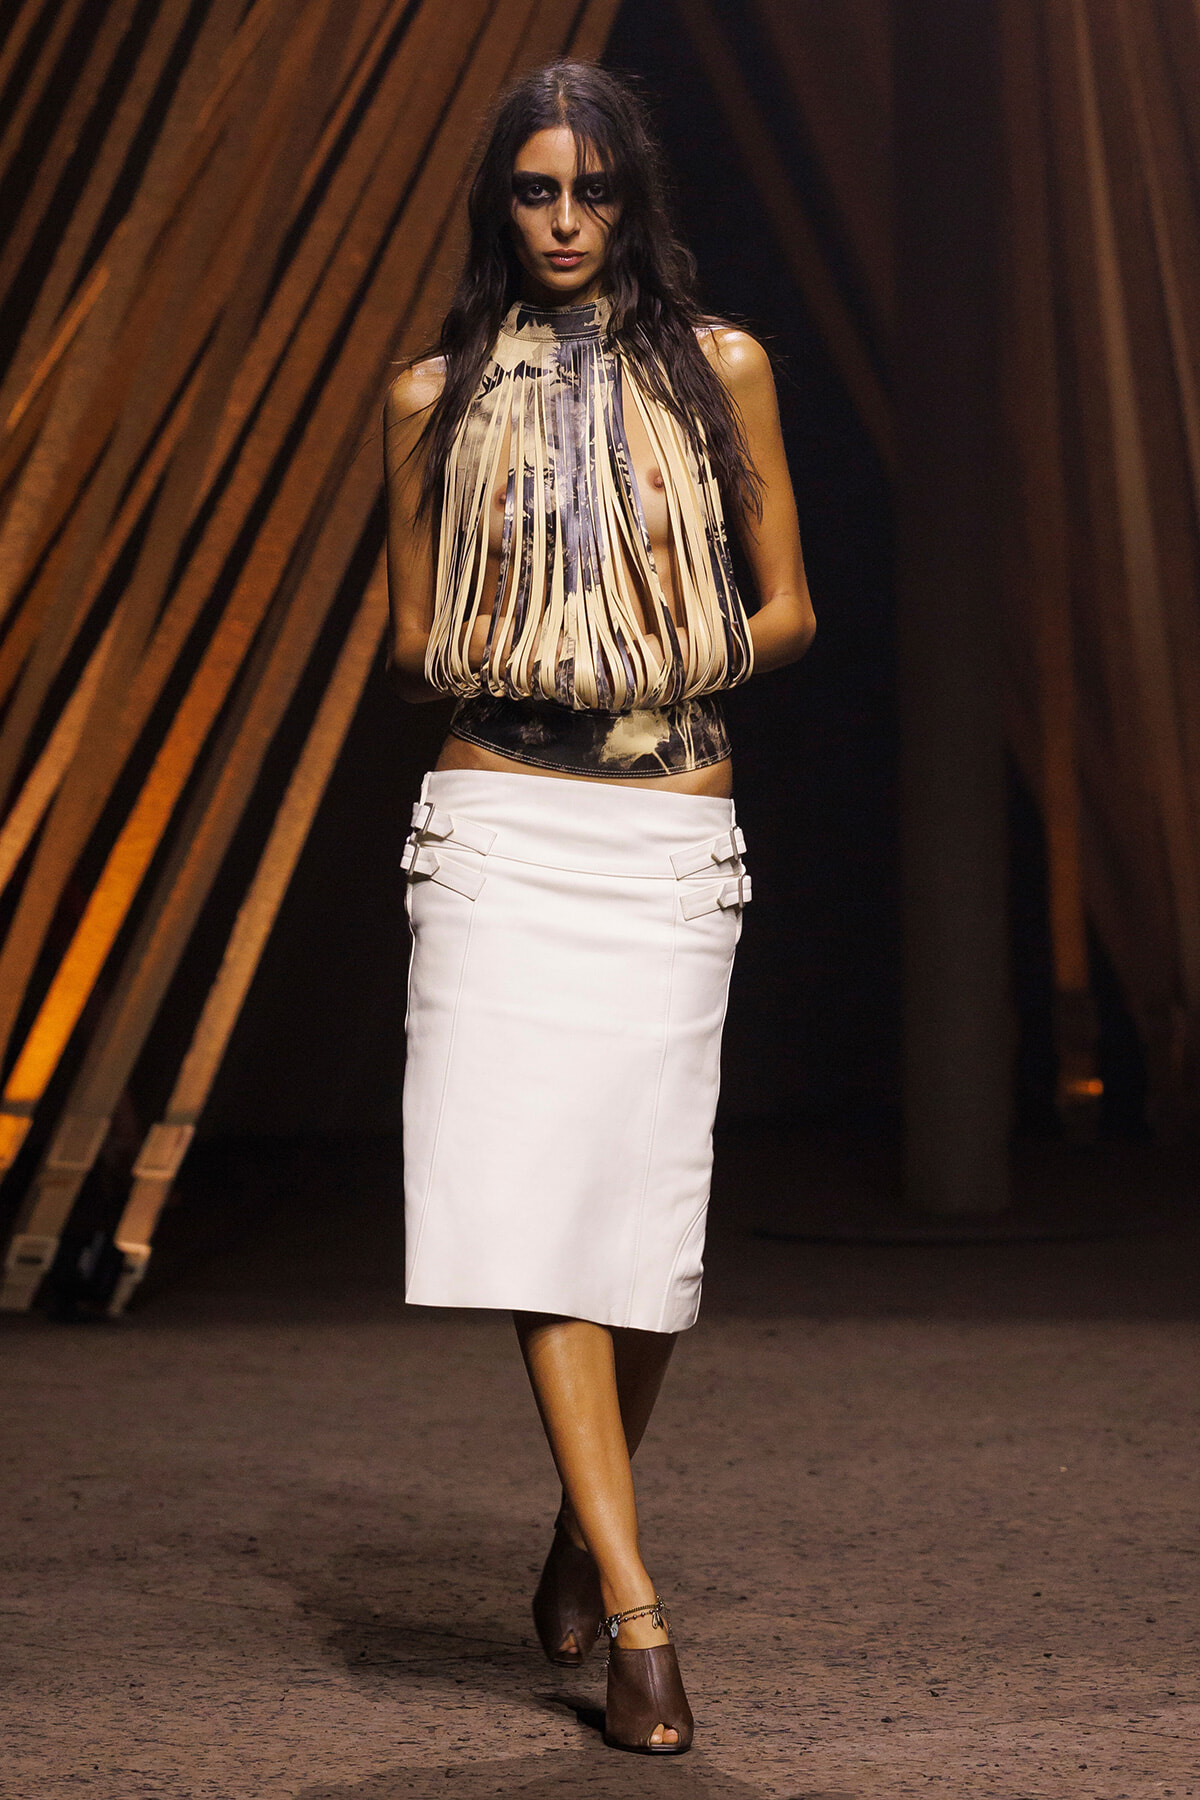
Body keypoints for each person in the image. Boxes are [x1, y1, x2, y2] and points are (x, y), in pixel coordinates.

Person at [383, 60, 814, 1755]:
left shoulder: (725, 373)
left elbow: (790, 611)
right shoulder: (429, 394)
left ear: (636, 198)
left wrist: (681, 645)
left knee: (637, 1220)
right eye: (532, 193)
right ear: (499, 204)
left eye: (592, 193)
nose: (563, 224)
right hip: (499, 820)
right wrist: (499, 646)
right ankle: (638, 1612)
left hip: (662, 838)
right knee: (533, 1203)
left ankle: (583, 1509)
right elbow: (402, 639)